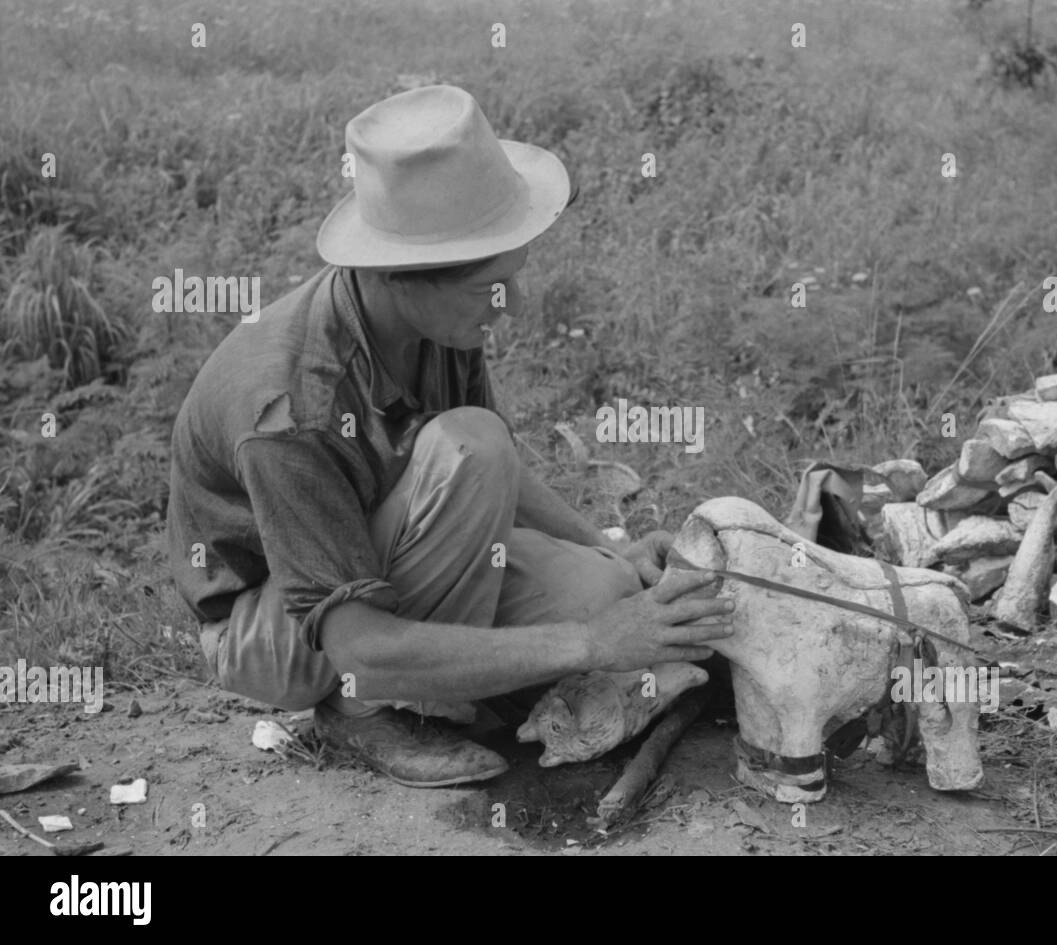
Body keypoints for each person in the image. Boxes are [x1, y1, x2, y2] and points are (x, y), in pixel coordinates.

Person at [165, 85, 733, 788]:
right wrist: (591, 643)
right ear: (404, 278)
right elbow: (358, 641)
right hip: (276, 622)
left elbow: (501, 476)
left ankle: (460, 674)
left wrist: (603, 542)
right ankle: (369, 711)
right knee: (481, 460)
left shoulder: (434, 322)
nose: (514, 305)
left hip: (374, 549)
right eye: (493, 287)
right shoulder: (289, 411)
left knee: (605, 585)